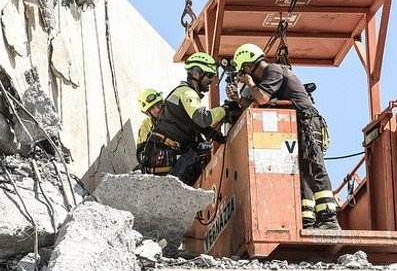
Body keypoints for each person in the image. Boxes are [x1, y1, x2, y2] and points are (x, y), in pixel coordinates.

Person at [231, 43, 340, 230]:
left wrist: (249, 83)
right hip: (297, 126)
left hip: (307, 123)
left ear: (248, 67)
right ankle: (308, 220)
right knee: (303, 172)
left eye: (244, 72)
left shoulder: (273, 70)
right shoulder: (269, 76)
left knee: (314, 168)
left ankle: (329, 219)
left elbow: (263, 99)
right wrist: (238, 99)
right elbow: (257, 105)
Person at [143, 52, 229, 185]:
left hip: (160, 154)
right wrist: (225, 110)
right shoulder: (187, 93)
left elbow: (198, 126)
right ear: (196, 74)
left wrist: (221, 138)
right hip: (163, 155)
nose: (211, 81)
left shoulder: (182, 95)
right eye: (209, 76)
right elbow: (202, 119)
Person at [135, 88, 164, 166]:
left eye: (158, 104)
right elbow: (140, 154)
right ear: (147, 113)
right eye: (152, 108)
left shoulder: (173, 115)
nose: (157, 109)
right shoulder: (146, 125)